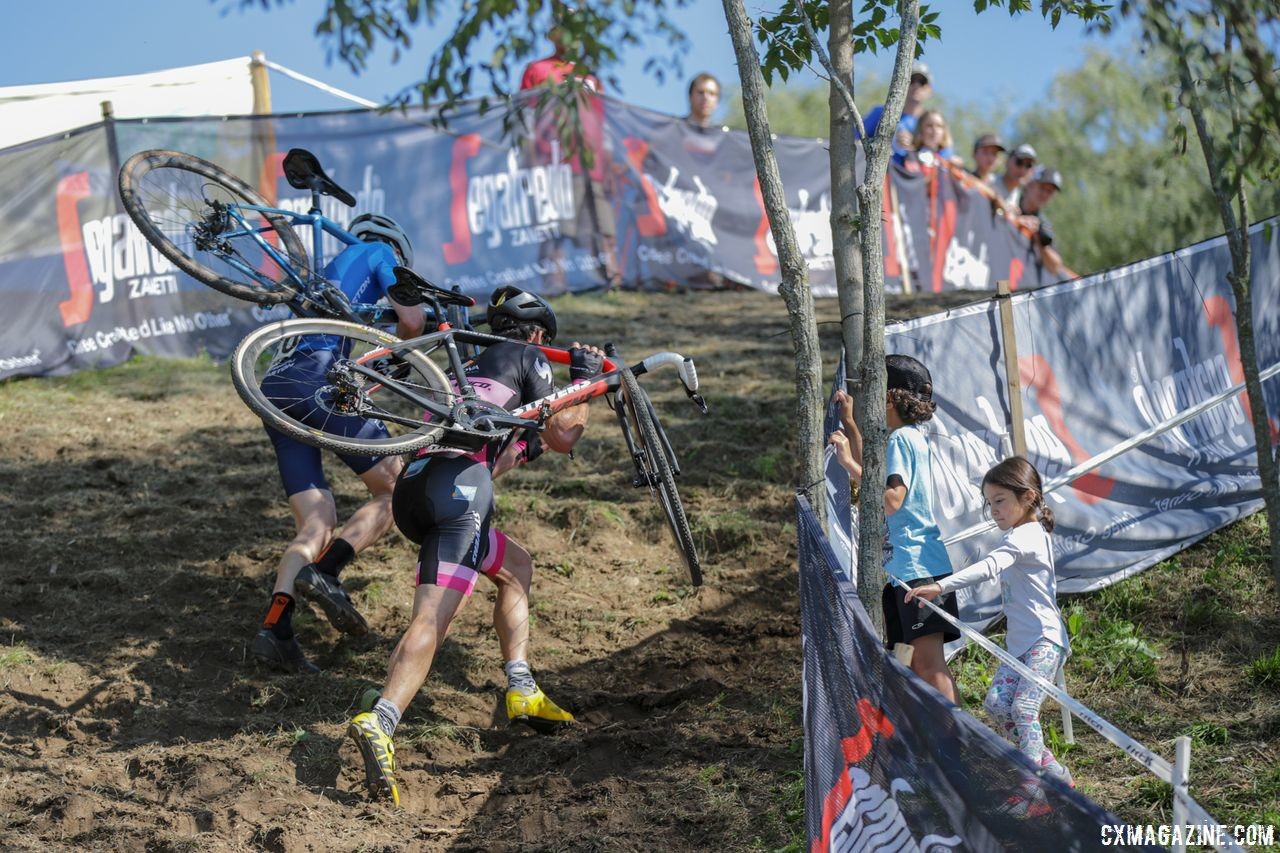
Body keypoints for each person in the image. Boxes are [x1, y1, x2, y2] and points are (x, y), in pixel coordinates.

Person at [346, 287, 603, 806]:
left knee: (515, 566)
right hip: (460, 497)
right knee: (433, 621)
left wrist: (524, 444)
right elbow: (564, 435)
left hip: (415, 488)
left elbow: (500, 451)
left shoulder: (464, 365)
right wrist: (585, 381)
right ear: (535, 335)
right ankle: (382, 719)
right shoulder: (531, 356)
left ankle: (521, 685)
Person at [251, 214, 426, 674]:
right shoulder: (377, 254)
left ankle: (276, 630)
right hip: (316, 379)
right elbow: (411, 318)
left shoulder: (330, 275)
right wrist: (406, 351)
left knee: (317, 518)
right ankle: (326, 572)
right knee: (396, 491)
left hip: (274, 386)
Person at [904, 456, 1074, 791]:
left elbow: (991, 566)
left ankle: (1032, 789)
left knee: (1024, 708)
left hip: (1044, 640)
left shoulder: (1026, 536)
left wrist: (941, 586)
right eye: (989, 503)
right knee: (996, 703)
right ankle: (1052, 771)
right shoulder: (1018, 534)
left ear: (1027, 497)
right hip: (1020, 644)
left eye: (1000, 501)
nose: (994, 510)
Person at [827, 355, 960, 703]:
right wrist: (851, 424)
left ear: (888, 398)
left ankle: (959, 746)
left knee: (929, 665)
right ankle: (931, 743)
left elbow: (892, 499)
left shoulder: (902, 440)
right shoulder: (905, 437)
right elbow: (875, 468)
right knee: (909, 663)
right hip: (905, 572)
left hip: (918, 571)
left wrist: (846, 463)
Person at [520, 17, 619, 291]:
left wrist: (608, 162)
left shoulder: (591, 74)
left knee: (603, 226)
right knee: (554, 231)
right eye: (562, 30)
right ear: (552, 34)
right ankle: (556, 286)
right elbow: (526, 117)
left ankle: (611, 282)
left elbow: (603, 122)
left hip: (592, 164)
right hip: (553, 162)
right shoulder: (537, 70)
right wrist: (530, 158)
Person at [862, 62, 937, 160]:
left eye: (922, 82)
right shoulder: (881, 113)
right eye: (912, 80)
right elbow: (855, 139)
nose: (916, 86)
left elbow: (942, 156)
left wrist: (915, 146)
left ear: (929, 90)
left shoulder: (933, 123)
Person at [1017, 166, 1078, 280]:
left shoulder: (1043, 223)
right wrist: (1016, 220)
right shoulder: (1011, 199)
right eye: (1042, 187)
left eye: (1049, 192)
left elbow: (1055, 266)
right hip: (990, 267)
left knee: (1004, 296)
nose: (1045, 194)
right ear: (1030, 184)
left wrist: (1039, 241)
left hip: (1014, 281)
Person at [996, 143, 1037, 208]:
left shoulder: (1017, 196)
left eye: (1029, 165)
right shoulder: (990, 181)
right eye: (1019, 162)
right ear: (1007, 162)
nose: (1023, 169)